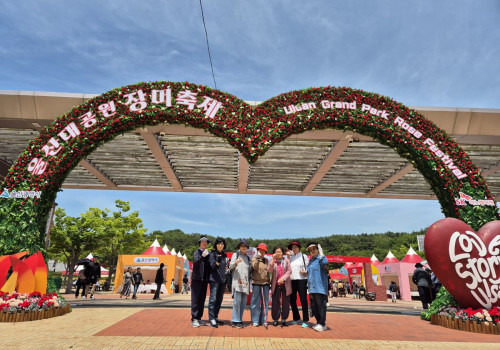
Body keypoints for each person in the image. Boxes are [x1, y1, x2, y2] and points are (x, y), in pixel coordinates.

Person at [306, 242, 329, 332]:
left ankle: (322, 324)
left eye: (314, 249)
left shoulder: (321, 259)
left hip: (320, 287)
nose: (312, 251)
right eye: (310, 250)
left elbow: (325, 263)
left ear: (317, 250)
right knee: (314, 306)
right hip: (312, 287)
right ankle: (318, 322)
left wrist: (322, 254)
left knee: (321, 306)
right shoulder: (310, 261)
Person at [268, 245, 292, 327]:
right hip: (276, 285)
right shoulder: (273, 262)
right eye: (276, 252)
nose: (278, 253)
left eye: (280, 251)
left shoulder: (286, 261)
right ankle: (275, 319)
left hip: (285, 285)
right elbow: (269, 270)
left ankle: (284, 319)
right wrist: (272, 260)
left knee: (285, 302)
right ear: (274, 253)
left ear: (283, 253)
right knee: (275, 302)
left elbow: (289, 271)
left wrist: (283, 278)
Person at [287, 241, 309, 328]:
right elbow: (287, 268)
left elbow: (308, 267)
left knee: (303, 299)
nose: (294, 249)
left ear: (299, 248)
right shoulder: (290, 258)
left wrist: (305, 272)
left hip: (301, 279)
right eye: (293, 247)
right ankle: (296, 318)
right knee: (292, 300)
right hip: (292, 280)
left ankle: (305, 320)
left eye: (296, 247)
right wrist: (288, 257)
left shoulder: (304, 256)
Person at [229, 239, 251, 328]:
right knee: (237, 302)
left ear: (247, 248)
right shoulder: (236, 255)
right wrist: (236, 262)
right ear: (239, 247)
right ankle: (235, 320)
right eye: (241, 246)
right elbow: (230, 267)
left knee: (243, 302)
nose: (243, 247)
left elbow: (249, 272)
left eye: (245, 246)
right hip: (237, 282)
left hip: (245, 284)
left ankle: (239, 319)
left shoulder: (248, 258)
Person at [191, 236, 211, 327]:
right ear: (199, 243)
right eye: (202, 242)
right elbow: (196, 262)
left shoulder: (208, 254)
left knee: (202, 299)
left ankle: (199, 318)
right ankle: (194, 318)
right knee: (195, 299)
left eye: (206, 242)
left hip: (205, 279)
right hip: (197, 279)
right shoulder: (196, 252)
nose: (204, 243)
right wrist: (202, 256)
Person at [208, 238, 228, 328]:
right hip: (214, 280)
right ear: (216, 245)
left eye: (222, 244)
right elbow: (212, 267)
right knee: (213, 300)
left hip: (223, 281)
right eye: (219, 244)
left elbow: (225, 268)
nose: (220, 245)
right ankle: (211, 318)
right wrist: (218, 262)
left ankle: (215, 317)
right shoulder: (212, 255)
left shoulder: (225, 255)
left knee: (219, 300)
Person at [250, 243, 271, 328]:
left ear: (265, 251)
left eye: (263, 250)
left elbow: (269, 271)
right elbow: (254, 267)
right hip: (256, 283)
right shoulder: (254, 258)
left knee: (265, 303)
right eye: (260, 249)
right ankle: (255, 320)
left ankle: (263, 320)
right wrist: (258, 259)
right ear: (257, 250)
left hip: (265, 283)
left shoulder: (266, 260)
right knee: (255, 302)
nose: (261, 251)